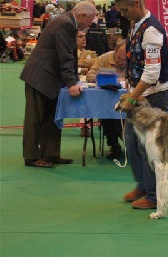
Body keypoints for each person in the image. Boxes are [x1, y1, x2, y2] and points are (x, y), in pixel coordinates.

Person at [115, 0, 168, 209]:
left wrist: (132, 98)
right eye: (120, 10)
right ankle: (143, 185)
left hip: (158, 92)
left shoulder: (151, 31)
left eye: (125, 9)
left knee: (147, 145)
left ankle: (154, 196)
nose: (122, 14)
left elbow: (152, 74)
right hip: (142, 92)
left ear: (138, 3)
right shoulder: (135, 24)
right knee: (130, 139)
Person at [20, 1, 96, 168]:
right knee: (36, 118)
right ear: (82, 16)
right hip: (40, 77)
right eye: (90, 20)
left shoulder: (67, 23)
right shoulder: (64, 24)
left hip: (52, 78)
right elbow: (65, 55)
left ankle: (50, 154)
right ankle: (31, 157)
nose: (90, 24)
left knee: (52, 116)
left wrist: (74, 80)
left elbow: (70, 56)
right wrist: (72, 84)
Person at [86, 39, 126, 159]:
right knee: (106, 116)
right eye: (119, 58)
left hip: (128, 101)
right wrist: (105, 78)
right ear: (115, 52)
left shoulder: (135, 59)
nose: (122, 62)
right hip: (106, 101)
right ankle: (114, 146)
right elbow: (90, 75)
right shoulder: (104, 58)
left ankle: (131, 145)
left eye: (125, 60)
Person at [76, 30, 97, 137]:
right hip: (70, 80)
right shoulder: (67, 52)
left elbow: (94, 62)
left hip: (85, 82)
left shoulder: (91, 53)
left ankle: (85, 125)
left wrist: (77, 62)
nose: (84, 39)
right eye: (80, 37)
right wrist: (81, 69)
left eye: (84, 37)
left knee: (88, 92)